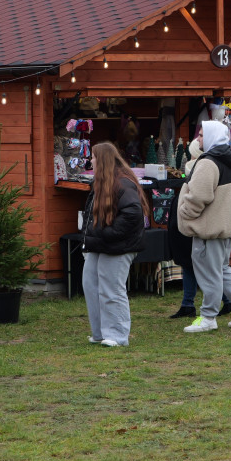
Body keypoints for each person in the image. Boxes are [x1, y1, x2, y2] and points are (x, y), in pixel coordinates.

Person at [177, 120, 231, 333]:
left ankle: (208, 317)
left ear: (212, 137)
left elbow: (198, 196)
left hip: (208, 228)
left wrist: (185, 213)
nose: (198, 139)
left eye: (202, 135)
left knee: (209, 273)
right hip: (224, 227)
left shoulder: (208, 162)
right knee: (221, 269)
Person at [79, 142, 148, 347]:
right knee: (90, 284)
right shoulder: (102, 181)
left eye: (93, 156)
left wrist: (108, 232)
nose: (90, 160)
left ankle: (117, 335)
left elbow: (133, 213)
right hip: (100, 243)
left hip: (119, 245)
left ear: (103, 160)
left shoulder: (122, 183)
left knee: (111, 288)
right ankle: (100, 333)